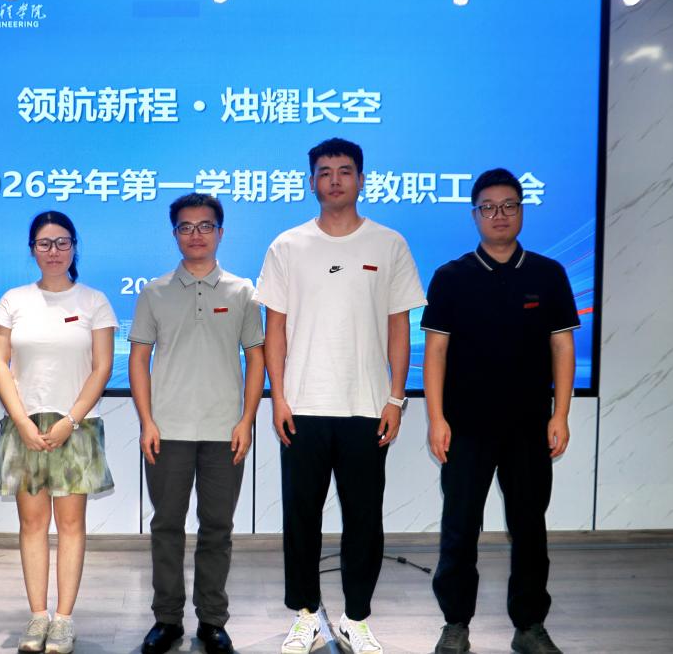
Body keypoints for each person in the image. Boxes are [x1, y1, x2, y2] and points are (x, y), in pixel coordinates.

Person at [253, 138, 426, 654]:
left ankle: (355, 617)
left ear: (361, 180)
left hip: (367, 407)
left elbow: (399, 327)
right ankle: (306, 615)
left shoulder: (389, 244)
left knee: (364, 519)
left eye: (344, 171)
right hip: (302, 406)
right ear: (311, 182)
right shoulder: (288, 246)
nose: (334, 180)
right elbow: (274, 329)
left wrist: (395, 399)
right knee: (300, 516)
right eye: (324, 172)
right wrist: (278, 398)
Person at [422, 169, 579, 654]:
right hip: (465, 427)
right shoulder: (451, 277)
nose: (499, 215)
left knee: (529, 526)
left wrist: (561, 414)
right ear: (474, 215)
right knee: (459, 527)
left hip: (529, 426)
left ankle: (529, 626)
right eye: (488, 207)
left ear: (521, 211)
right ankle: (456, 623)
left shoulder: (548, 274)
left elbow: (562, 346)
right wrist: (436, 419)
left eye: (509, 205)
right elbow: (436, 352)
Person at [129, 194, 265, 654]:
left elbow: (256, 357)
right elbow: (139, 358)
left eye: (205, 226)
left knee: (217, 529)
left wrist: (247, 420)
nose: (196, 235)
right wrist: (147, 421)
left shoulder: (243, 292)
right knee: (166, 527)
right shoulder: (154, 292)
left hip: (225, 431)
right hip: (166, 431)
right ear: (175, 235)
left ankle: (212, 621)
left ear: (220, 233)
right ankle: (167, 620)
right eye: (185, 227)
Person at [0, 211, 116, 654]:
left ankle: (63, 620)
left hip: (75, 427)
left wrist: (71, 421)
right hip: (24, 427)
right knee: (31, 524)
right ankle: (37, 616)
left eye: (62, 242)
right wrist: (22, 420)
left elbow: (102, 367)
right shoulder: (14, 300)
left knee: (71, 525)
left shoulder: (94, 301)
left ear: (74, 246)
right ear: (32, 250)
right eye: (44, 244)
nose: (54, 251)